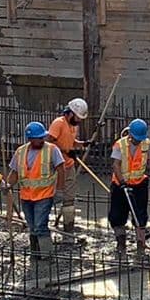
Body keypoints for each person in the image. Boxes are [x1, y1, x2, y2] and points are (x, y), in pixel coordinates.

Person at [108, 118, 150, 252]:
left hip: (139, 185)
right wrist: (122, 182)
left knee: (140, 216)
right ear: (130, 134)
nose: (138, 141)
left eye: (140, 139)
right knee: (117, 216)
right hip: (120, 186)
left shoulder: (146, 144)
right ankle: (121, 244)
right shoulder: (119, 145)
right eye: (136, 138)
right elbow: (116, 165)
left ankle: (141, 245)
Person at [14, 120, 65, 251]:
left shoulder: (52, 150)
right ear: (30, 139)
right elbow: (14, 172)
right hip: (26, 196)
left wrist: (59, 190)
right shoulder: (20, 152)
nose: (42, 140)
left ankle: (47, 255)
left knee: (40, 225)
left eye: (43, 137)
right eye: (38, 138)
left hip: (44, 195)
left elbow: (61, 170)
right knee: (32, 226)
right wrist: (7, 185)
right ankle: (35, 253)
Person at [48, 96, 90, 235]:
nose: (78, 121)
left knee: (69, 199)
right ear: (70, 113)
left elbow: (70, 141)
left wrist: (83, 144)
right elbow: (49, 144)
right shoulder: (58, 123)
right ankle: (43, 226)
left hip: (69, 165)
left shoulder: (74, 126)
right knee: (50, 196)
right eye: (77, 117)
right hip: (55, 167)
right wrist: (65, 151)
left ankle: (68, 230)